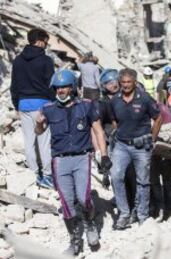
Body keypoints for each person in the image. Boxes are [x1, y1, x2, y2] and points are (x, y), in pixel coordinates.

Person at [35, 69, 112, 255]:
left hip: (81, 157)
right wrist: (38, 123)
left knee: (84, 198)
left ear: (72, 88)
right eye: (58, 87)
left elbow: (99, 131)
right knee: (67, 202)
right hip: (60, 160)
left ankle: (90, 223)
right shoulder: (48, 109)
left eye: (64, 87)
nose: (61, 90)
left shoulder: (86, 106)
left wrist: (104, 155)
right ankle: (75, 240)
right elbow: (39, 131)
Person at [110, 68, 162, 229]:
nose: (125, 85)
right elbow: (113, 121)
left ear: (134, 82)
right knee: (116, 176)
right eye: (123, 82)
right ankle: (124, 213)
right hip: (121, 145)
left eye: (128, 82)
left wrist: (152, 139)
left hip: (142, 146)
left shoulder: (145, 98)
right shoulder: (114, 100)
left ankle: (142, 215)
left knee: (143, 181)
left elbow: (158, 118)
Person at [10, 28, 54, 188]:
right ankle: (48, 176)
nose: (47, 45)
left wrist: (17, 104)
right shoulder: (46, 61)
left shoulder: (17, 60)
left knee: (29, 141)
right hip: (41, 105)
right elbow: (51, 86)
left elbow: (14, 86)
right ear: (40, 41)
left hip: (23, 104)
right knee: (44, 142)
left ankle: (34, 174)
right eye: (46, 41)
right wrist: (54, 103)